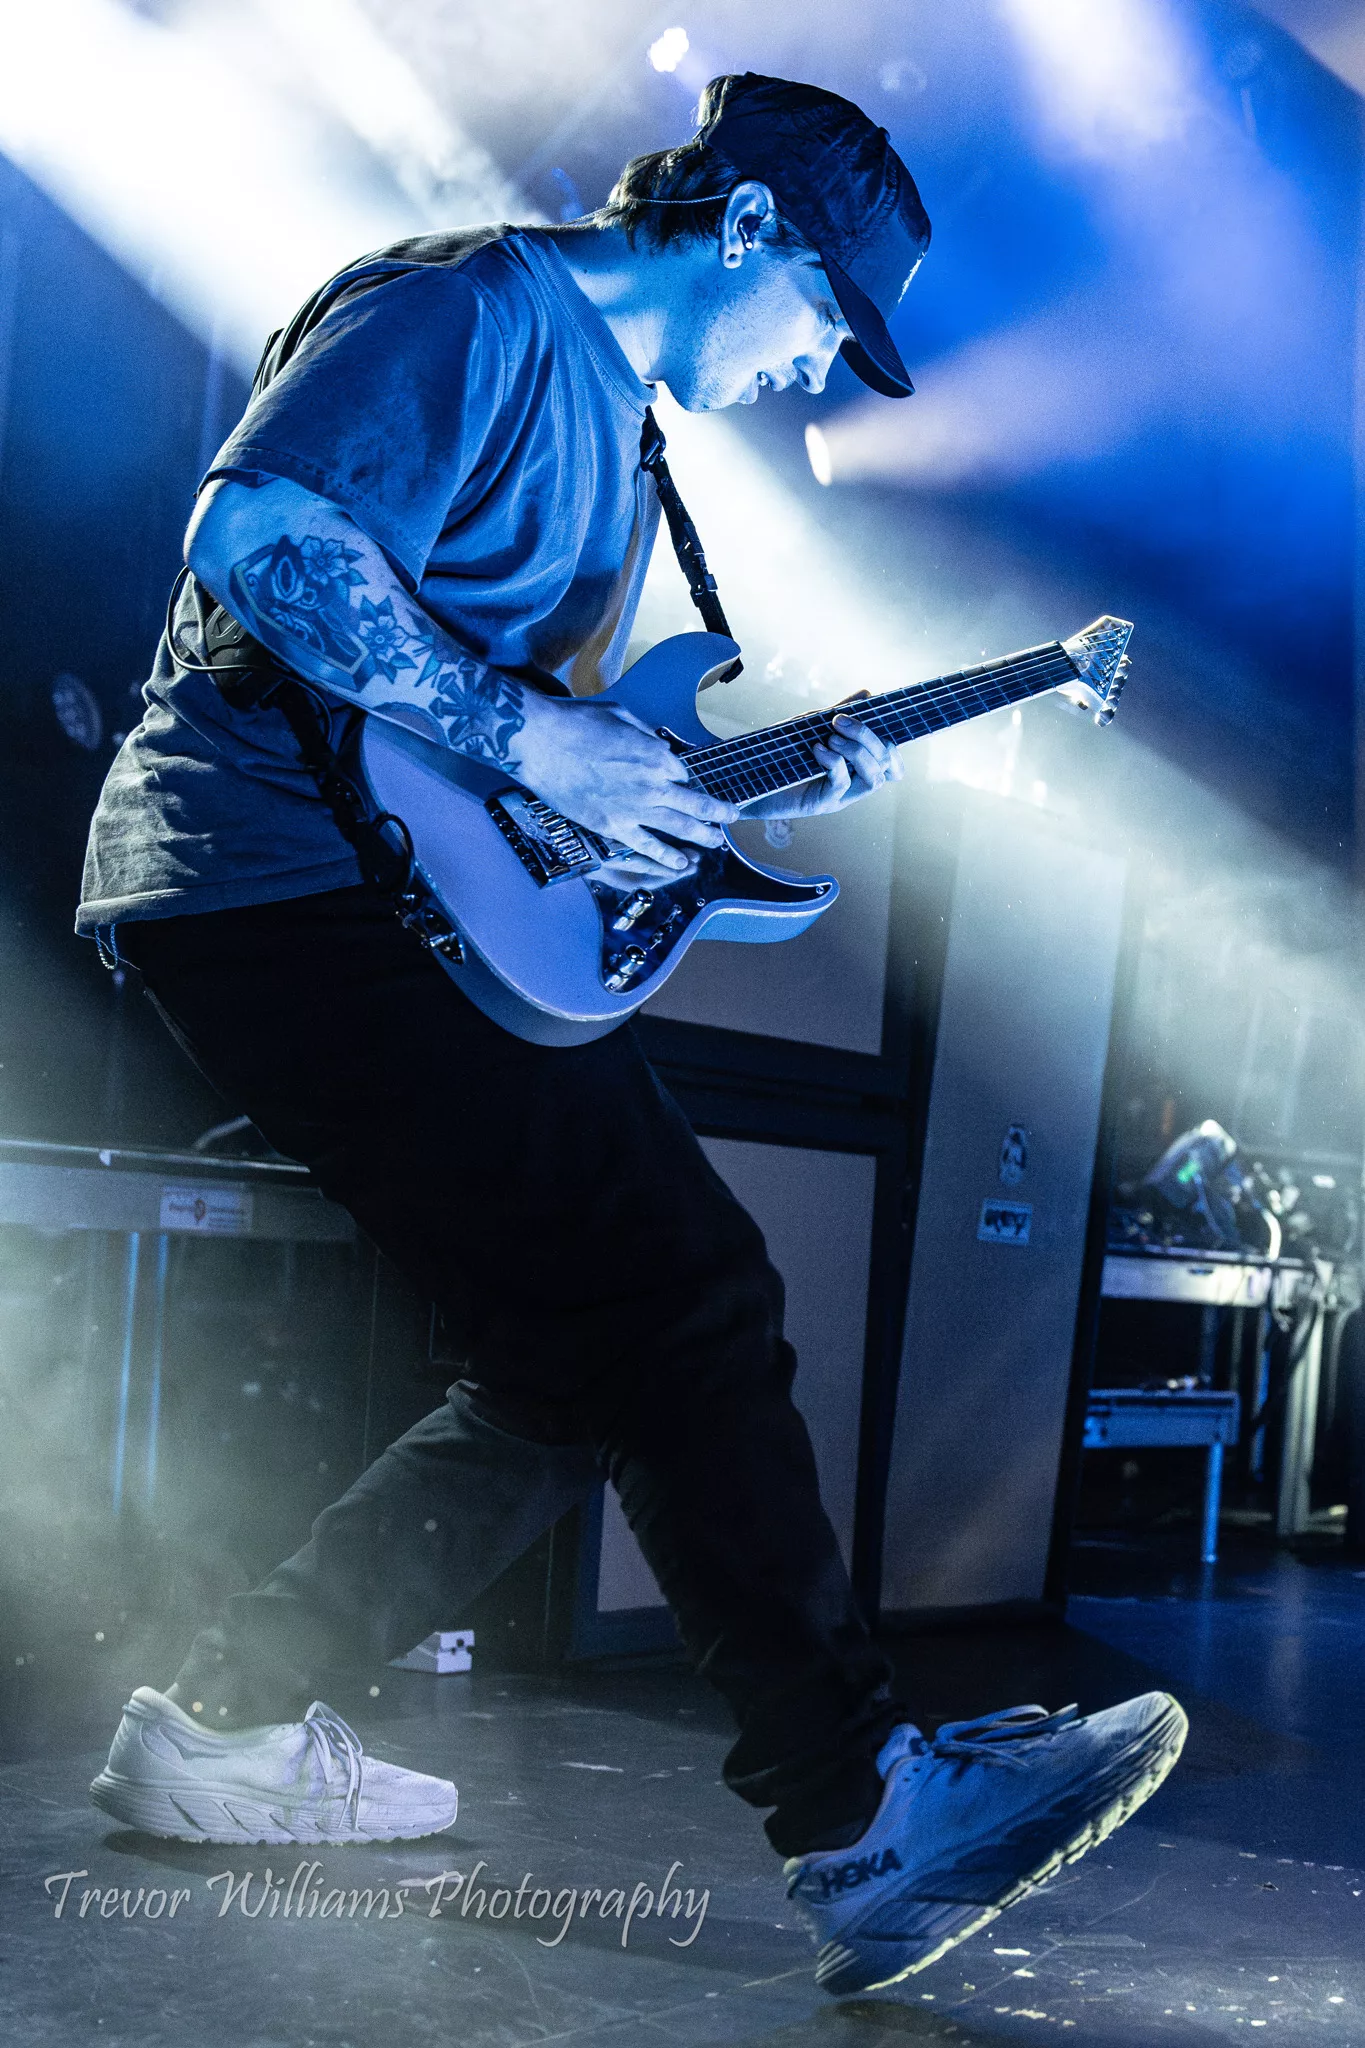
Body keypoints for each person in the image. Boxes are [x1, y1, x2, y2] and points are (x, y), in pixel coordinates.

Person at [79, 71, 1185, 1996]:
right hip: (270, 872)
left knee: (571, 1361)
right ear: (743, 228)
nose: (818, 371)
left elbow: (527, 757)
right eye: (825, 320)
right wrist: (536, 738)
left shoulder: (627, 439)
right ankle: (862, 1815)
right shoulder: (472, 304)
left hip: (372, 896)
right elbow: (261, 537)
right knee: (683, 1295)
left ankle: (227, 1720)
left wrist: (701, 785)